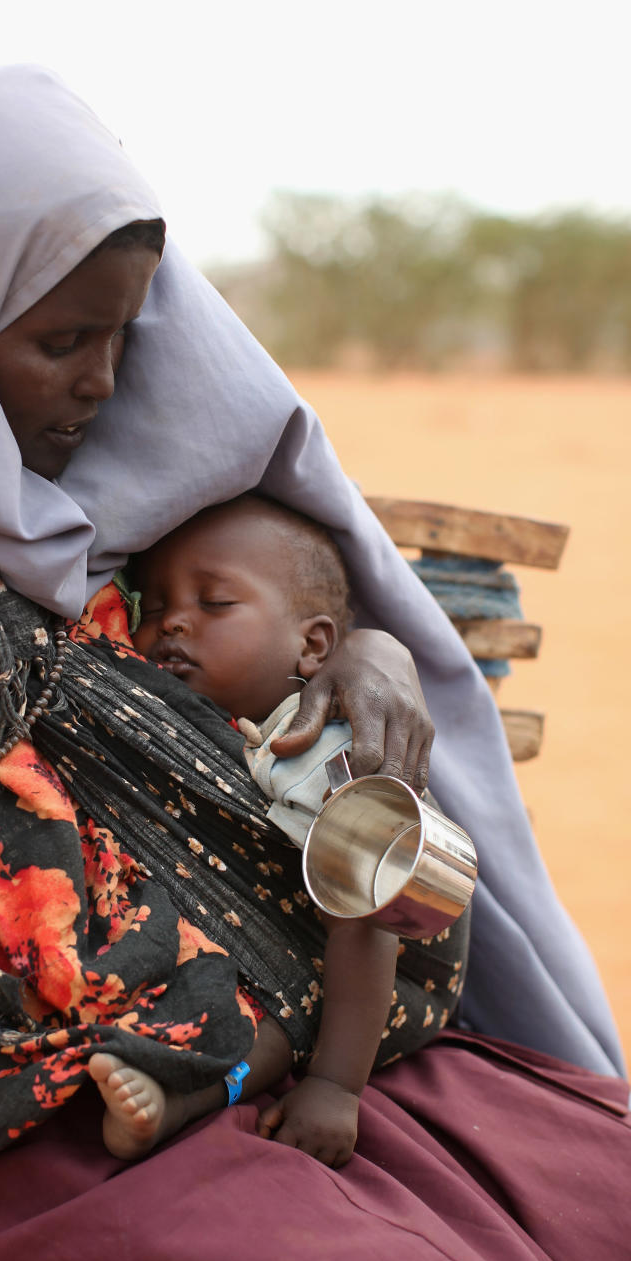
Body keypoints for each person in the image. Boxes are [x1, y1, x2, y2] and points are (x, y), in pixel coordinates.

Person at [0, 67, 631, 1261]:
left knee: (624, 1223)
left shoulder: (128, 511)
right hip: (16, 1133)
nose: (102, 383)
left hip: (304, 1034)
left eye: (124, 338)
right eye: (59, 342)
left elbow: (278, 625)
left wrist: (362, 655)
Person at [124, 491, 467, 1168]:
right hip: (305, 932)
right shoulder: (203, 728)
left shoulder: (323, 752)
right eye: (154, 607)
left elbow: (364, 923)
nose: (173, 625)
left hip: (392, 961)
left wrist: (337, 1087)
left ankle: (182, 1103)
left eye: (214, 603)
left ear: (313, 646)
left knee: (278, 1012)